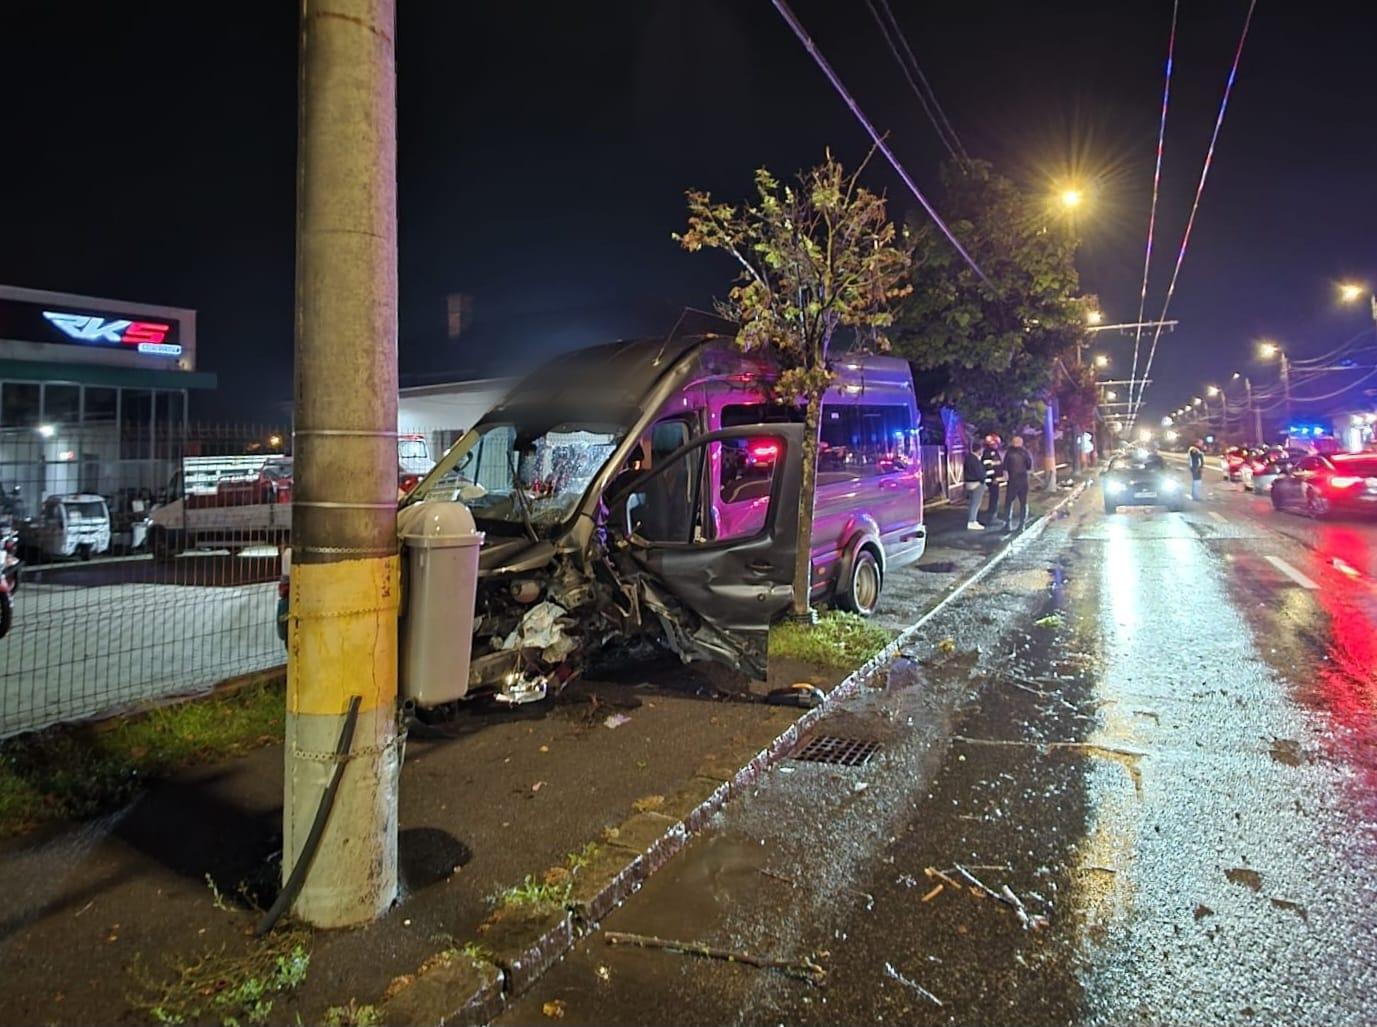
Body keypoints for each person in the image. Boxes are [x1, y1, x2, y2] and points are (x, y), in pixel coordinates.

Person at [1001, 435, 1035, 531]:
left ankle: (1016, 524)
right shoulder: (1021, 452)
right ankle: (1013, 524)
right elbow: (1029, 465)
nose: (1015, 443)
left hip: (1018, 480)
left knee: (1018, 503)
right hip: (1017, 480)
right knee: (1015, 502)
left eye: (1016, 442)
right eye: (1014, 441)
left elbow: (1029, 465)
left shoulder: (1016, 453)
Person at [963, 444, 987, 530]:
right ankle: (972, 521)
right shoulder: (974, 460)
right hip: (975, 484)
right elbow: (979, 473)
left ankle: (973, 520)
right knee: (975, 504)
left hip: (970, 483)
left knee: (973, 503)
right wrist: (984, 479)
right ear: (979, 450)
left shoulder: (969, 458)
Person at [980, 435, 1002, 525]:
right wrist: (993, 478)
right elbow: (988, 468)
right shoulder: (989, 453)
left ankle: (992, 516)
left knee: (994, 497)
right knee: (994, 498)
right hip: (992, 480)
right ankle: (992, 518)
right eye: (996, 443)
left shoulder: (992, 452)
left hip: (994, 479)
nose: (997, 445)